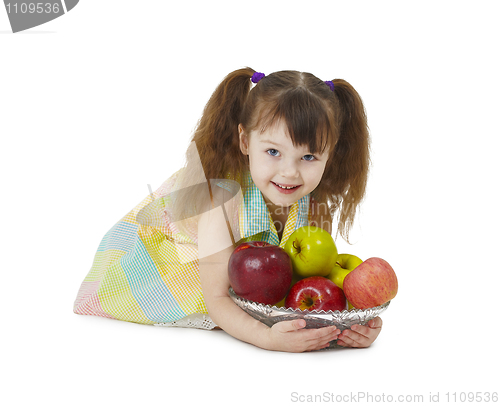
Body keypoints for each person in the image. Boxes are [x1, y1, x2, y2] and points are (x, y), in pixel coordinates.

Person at [73, 67, 383, 352]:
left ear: (331, 153)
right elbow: (218, 299)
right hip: (173, 276)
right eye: (273, 151)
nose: (289, 172)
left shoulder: (316, 209)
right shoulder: (220, 201)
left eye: (309, 157)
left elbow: (309, 284)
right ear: (245, 141)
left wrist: (351, 325)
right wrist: (266, 338)